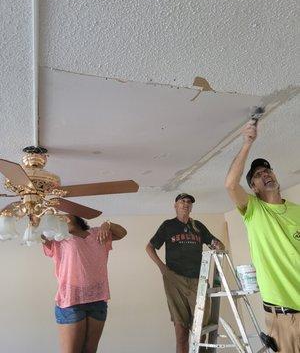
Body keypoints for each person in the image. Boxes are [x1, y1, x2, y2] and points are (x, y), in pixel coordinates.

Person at [225, 120, 300, 353]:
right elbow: (230, 184)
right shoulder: (254, 210)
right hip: (285, 317)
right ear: (254, 187)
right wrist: (247, 142)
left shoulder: (297, 211)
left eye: (267, 170)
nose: (265, 173)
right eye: (258, 174)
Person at [146, 193, 224, 353]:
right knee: (181, 330)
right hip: (174, 279)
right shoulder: (168, 225)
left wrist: (218, 246)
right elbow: (150, 247)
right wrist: (162, 267)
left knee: (200, 328)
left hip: (198, 280)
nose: (186, 204)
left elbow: (216, 244)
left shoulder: (198, 226)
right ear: (175, 205)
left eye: (189, 202)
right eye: (182, 201)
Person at [42, 215, 127, 353]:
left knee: (90, 351)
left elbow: (122, 233)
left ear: (72, 216)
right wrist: (34, 219)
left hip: (98, 300)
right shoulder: (58, 238)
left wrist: (107, 224)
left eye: (62, 213)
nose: (57, 215)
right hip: (70, 301)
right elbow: (39, 235)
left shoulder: (96, 233)